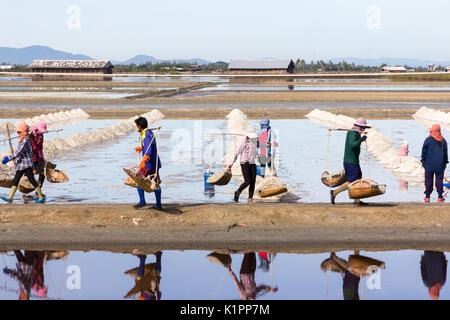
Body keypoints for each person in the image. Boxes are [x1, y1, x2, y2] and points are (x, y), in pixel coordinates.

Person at [1, 122, 45, 204]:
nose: (18, 133)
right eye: (17, 132)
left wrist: (9, 158)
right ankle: (10, 197)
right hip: (22, 164)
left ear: (23, 132)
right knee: (16, 180)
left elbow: (18, 152)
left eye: (19, 132)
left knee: (32, 180)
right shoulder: (23, 139)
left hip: (26, 165)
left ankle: (41, 197)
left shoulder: (25, 140)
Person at [330, 118, 371, 206]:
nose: (363, 129)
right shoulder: (352, 133)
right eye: (362, 127)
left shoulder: (356, 133)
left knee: (358, 178)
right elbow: (353, 145)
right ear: (358, 126)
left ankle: (357, 200)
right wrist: (361, 140)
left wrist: (360, 138)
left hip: (354, 161)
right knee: (351, 182)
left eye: (364, 128)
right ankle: (334, 193)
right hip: (351, 162)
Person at [134, 117, 162, 210]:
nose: (136, 127)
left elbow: (149, 151)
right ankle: (158, 204)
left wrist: (144, 161)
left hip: (148, 164)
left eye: (136, 126)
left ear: (139, 126)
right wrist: (141, 148)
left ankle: (142, 202)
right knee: (156, 182)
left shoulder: (145, 135)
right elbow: (150, 146)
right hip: (155, 162)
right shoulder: (149, 133)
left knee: (138, 179)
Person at [228, 127, 259, 203]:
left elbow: (260, 144)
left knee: (253, 181)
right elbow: (236, 154)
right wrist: (230, 165)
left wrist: (268, 144)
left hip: (252, 162)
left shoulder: (255, 140)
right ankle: (238, 192)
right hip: (244, 163)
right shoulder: (243, 142)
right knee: (247, 181)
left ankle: (250, 198)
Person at [421, 124, 448, 203]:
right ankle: (440, 197)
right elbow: (445, 154)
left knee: (428, 180)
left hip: (429, 165)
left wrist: (422, 160)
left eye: (431, 130)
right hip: (440, 165)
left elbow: (424, 152)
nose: (430, 131)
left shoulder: (428, 140)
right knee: (439, 181)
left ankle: (427, 197)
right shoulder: (443, 141)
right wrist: (446, 162)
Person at [29, 122, 48, 192]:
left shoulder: (41, 135)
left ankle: (38, 190)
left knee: (42, 173)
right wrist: (32, 135)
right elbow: (34, 147)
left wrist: (43, 158)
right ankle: (26, 192)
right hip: (31, 157)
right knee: (28, 175)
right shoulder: (31, 136)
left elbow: (40, 148)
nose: (41, 132)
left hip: (39, 157)